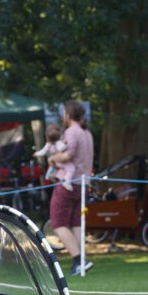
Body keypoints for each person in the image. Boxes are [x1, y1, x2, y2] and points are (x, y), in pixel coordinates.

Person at [46, 101, 94, 275]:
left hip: (68, 184)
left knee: (58, 223)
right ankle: (81, 260)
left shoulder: (72, 131)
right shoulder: (87, 133)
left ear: (68, 114)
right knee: (76, 222)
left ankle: (77, 259)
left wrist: (52, 159)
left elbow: (68, 155)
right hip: (84, 183)